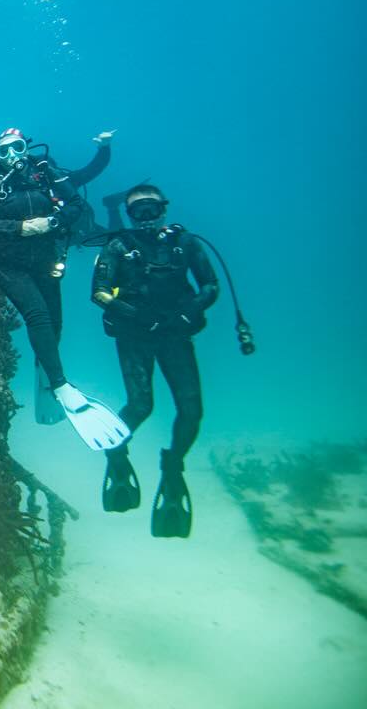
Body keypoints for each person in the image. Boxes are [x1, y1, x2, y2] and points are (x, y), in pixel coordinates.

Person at [0, 127, 130, 451]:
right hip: (8, 264)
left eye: (16, 147)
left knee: (55, 324)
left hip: (45, 260)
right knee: (38, 315)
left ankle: (46, 366)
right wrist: (19, 228)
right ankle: (60, 384)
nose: (11, 156)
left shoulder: (46, 173)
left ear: (26, 148)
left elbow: (76, 202)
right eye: (3, 151)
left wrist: (53, 222)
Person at [90, 183, 218, 537]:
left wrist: (189, 311)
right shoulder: (118, 246)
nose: (146, 217)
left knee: (191, 410)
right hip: (135, 335)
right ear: (129, 214)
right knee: (141, 405)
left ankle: (173, 467)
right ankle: (116, 456)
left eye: (152, 209)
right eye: (138, 211)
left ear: (164, 209)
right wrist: (136, 315)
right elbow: (99, 292)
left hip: (175, 334)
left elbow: (210, 285)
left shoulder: (185, 243)